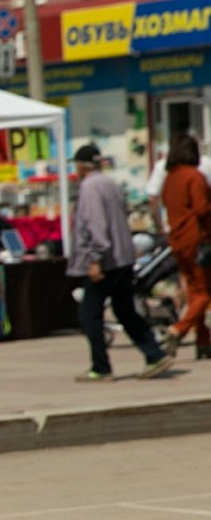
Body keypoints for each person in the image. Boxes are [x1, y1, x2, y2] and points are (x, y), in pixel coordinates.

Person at [70, 144, 173, 382]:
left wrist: (95, 258)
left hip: (105, 261)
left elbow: (95, 224)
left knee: (89, 314)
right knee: (125, 310)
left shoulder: (90, 188)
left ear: (82, 165)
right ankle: (155, 354)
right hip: (122, 258)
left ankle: (101, 367)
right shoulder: (111, 184)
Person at [158, 135, 211, 361]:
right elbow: (201, 209)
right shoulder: (194, 176)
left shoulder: (169, 179)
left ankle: (203, 341)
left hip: (177, 240)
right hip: (198, 240)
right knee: (204, 293)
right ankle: (178, 329)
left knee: (194, 291)